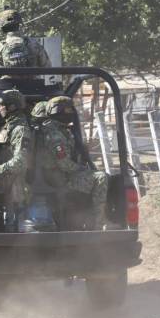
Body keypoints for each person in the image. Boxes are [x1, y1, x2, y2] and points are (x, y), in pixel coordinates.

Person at [38, 96, 111, 230]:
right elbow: (64, 164)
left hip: (62, 175)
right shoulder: (55, 134)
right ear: (57, 111)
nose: (71, 113)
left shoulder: (60, 129)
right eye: (67, 110)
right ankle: (98, 226)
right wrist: (83, 169)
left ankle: (88, 220)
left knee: (96, 175)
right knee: (100, 177)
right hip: (61, 178)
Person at [0, 9, 51, 79]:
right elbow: (47, 67)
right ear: (20, 25)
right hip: (32, 85)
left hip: (4, 86)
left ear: (2, 29)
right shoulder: (35, 45)